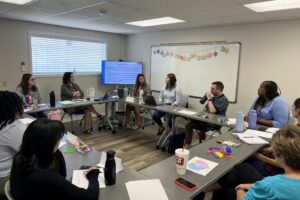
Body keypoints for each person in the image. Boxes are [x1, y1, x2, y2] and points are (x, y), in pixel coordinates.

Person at [10, 119, 100, 200]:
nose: (59, 140)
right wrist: (93, 175)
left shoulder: (20, 158)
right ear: (48, 144)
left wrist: (55, 150)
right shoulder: (49, 178)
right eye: (58, 138)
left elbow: (62, 175)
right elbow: (91, 196)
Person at [185, 81, 229, 146]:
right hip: (205, 120)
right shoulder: (213, 98)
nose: (211, 90)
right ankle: (188, 145)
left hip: (213, 123)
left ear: (219, 89)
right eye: (211, 88)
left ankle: (202, 134)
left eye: (213, 89)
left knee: (190, 122)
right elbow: (204, 110)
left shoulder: (223, 100)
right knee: (189, 123)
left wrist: (209, 99)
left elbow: (212, 111)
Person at [0, 91, 26, 199]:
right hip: (5, 178)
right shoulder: (12, 128)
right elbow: (36, 150)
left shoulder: (3, 123)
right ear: (14, 108)